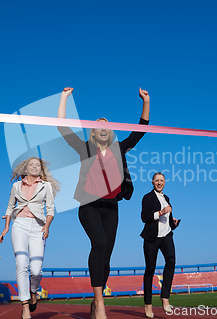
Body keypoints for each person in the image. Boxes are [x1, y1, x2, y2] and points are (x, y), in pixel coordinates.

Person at [57, 87, 150, 319]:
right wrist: (64, 98)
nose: (103, 128)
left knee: (106, 255)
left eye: (107, 126)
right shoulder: (85, 148)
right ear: (93, 132)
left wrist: (146, 101)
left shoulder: (119, 149)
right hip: (88, 205)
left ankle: (95, 299)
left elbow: (141, 130)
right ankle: (100, 303)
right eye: (99, 125)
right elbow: (62, 128)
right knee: (98, 242)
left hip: (111, 207)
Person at [0, 157, 60, 319]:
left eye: (37, 165)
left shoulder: (45, 186)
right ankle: (25, 306)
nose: (34, 166)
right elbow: (10, 206)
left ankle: (33, 291)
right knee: (21, 263)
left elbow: (51, 209)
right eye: (31, 165)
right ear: (25, 170)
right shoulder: (16, 186)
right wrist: (6, 227)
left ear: (41, 169)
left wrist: (47, 226)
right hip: (19, 225)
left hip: (38, 227)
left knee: (36, 269)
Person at [140, 172, 180, 318]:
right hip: (152, 237)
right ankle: (148, 305)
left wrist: (173, 222)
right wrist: (160, 212)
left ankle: (165, 298)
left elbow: (167, 220)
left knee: (171, 261)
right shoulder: (147, 197)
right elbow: (144, 217)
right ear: (152, 182)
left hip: (167, 236)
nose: (159, 182)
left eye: (162, 180)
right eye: (156, 180)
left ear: (165, 182)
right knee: (150, 270)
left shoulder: (166, 198)